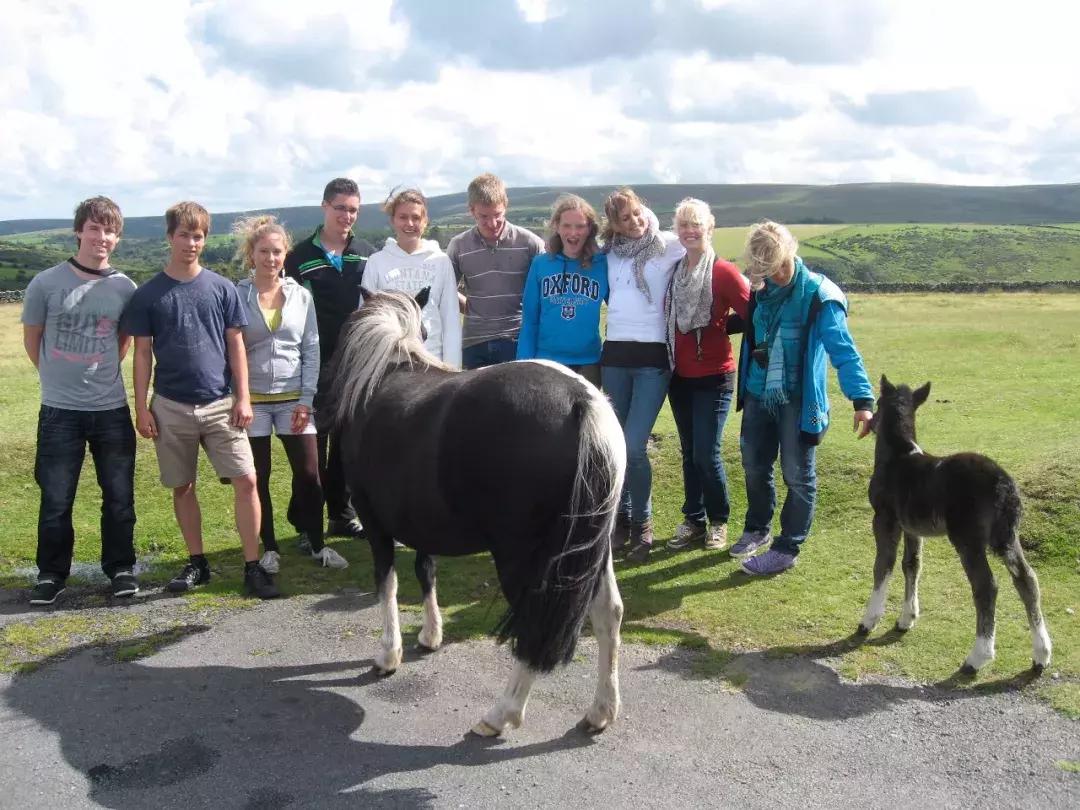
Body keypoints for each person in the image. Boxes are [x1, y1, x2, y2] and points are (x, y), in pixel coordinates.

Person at [121, 201, 279, 599]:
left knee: (246, 480)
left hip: (221, 403)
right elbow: (142, 354)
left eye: (198, 235)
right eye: (184, 235)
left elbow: (236, 346)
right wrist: (141, 408)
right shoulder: (149, 294)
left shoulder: (222, 288)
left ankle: (252, 565)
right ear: (170, 237)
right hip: (171, 405)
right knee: (183, 485)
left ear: (205, 239)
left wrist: (243, 398)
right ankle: (198, 563)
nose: (191, 243)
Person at [731, 220, 874, 576]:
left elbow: (844, 350)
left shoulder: (819, 296)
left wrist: (862, 401)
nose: (774, 275)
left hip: (798, 400)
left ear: (791, 252)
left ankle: (787, 547)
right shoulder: (759, 290)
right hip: (757, 389)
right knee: (753, 464)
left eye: (778, 265)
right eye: (764, 270)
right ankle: (757, 528)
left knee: (798, 475)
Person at [21, 196, 139, 604]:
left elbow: (122, 342)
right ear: (78, 231)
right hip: (59, 411)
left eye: (109, 230)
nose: (101, 237)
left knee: (120, 496)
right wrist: (59, 378)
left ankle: (121, 568)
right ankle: (51, 574)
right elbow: (32, 341)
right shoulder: (46, 283)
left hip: (111, 409)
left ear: (117, 237)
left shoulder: (125, 287)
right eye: (94, 228)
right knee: (56, 498)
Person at [234, 215, 348, 573]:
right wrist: (238, 398)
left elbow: (311, 348)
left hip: (294, 400)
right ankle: (269, 548)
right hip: (252, 403)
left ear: (286, 255)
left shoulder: (301, 296)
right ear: (251, 254)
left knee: (310, 474)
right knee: (258, 477)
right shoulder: (236, 295)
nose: (270, 258)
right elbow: (230, 351)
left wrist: (306, 399)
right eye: (263, 251)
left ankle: (317, 545)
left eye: (277, 252)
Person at [284, 178, 375, 543]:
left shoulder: (368, 253)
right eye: (340, 208)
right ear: (324, 207)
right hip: (312, 363)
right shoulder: (299, 257)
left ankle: (341, 514)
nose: (346, 216)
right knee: (311, 447)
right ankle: (306, 521)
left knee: (347, 445)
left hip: (354, 363)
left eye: (353, 209)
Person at [600, 188, 686, 563]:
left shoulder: (668, 245)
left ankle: (643, 524)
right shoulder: (609, 255)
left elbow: (705, 251)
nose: (634, 222)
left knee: (634, 446)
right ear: (614, 225)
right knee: (614, 446)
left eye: (637, 213)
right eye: (625, 219)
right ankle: (620, 521)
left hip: (653, 359)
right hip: (615, 355)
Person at [664, 198, 750, 553]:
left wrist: (721, 327)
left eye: (696, 224)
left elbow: (755, 312)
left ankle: (718, 521)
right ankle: (693, 519)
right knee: (688, 452)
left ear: (710, 227)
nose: (689, 231)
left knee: (706, 454)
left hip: (715, 376)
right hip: (679, 376)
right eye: (683, 224)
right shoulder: (675, 271)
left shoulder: (723, 272)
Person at [446, 173, 544, 370]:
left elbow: (546, 290)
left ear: (506, 206)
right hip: (474, 343)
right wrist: (473, 308)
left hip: (517, 340)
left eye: (497, 215)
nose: (492, 224)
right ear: (471, 210)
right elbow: (445, 290)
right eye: (483, 217)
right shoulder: (458, 246)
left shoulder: (530, 243)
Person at [364, 188, 462, 366]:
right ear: (392, 221)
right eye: (403, 217)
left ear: (425, 221)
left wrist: (452, 368)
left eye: (416, 217)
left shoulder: (441, 261)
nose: (410, 223)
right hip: (390, 364)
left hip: (432, 363)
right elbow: (367, 320)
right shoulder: (376, 262)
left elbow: (451, 319)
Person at [516, 194, 607, 387]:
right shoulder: (541, 264)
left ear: (590, 228)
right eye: (567, 225)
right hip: (547, 362)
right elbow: (530, 319)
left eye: (580, 226)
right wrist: (523, 365)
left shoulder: (602, 264)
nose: (573, 232)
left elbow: (619, 309)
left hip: (589, 363)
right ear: (556, 226)